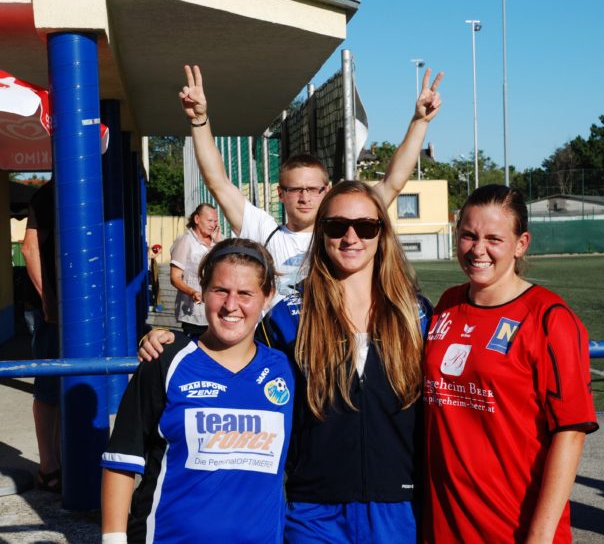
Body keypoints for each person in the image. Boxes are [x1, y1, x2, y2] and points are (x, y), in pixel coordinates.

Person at [139, 181, 430, 543]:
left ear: (382, 233)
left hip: (397, 505)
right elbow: (232, 352)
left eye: (366, 226)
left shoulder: (415, 314)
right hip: (312, 510)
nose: (351, 237)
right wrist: (174, 343)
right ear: (321, 232)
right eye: (337, 226)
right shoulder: (289, 315)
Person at [178, 63, 443, 306]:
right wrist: (198, 120)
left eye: (313, 189)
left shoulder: (342, 232)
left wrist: (419, 122)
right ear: (281, 194)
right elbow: (218, 183)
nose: (305, 198)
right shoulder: (264, 230)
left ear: (326, 191)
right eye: (295, 190)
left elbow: (392, 183)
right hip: (280, 351)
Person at [421, 185, 599, 543]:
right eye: (468, 236)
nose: (478, 250)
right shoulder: (447, 304)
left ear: (521, 244)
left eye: (494, 239)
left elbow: (571, 433)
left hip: (511, 528)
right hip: (442, 527)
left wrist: (540, 536)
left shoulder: (550, 319)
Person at [101, 238, 294, 543]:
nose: (231, 305)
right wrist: (113, 540)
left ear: (267, 296)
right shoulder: (165, 359)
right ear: (203, 290)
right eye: (221, 290)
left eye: (245, 293)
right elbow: (121, 459)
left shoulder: (285, 368)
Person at [21, 179, 61, 493]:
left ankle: (59, 461)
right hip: (50, 311)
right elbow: (29, 247)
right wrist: (48, 299)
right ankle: (48, 467)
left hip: (73, 310)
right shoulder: (49, 193)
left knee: (67, 387)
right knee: (48, 388)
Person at [169, 203, 219, 337]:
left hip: (217, 311)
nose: (213, 225)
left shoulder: (217, 242)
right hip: (195, 314)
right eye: (209, 221)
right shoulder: (185, 241)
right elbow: (175, 278)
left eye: (215, 221)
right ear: (197, 219)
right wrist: (192, 292)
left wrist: (220, 242)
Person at [148, 244, 162, 311]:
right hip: (149, 275)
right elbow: (152, 257)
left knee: (155, 289)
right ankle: (155, 306)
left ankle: (157, 305)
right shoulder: (147, 256)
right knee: (153, 289)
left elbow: (152, 256)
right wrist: (158, 252)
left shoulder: (149, 256)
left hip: (152, 275)